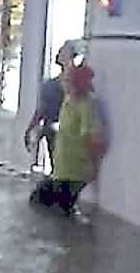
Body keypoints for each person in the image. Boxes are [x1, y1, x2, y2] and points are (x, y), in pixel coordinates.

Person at [30, 62, 105, 215]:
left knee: (62, 213)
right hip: (61, 170)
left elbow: (90, 138)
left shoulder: (86, 106)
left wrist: (93, 169)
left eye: (67, 81)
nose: (64, 84)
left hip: (74, 173)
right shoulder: (68, 101)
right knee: (37, 202)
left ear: (77, 84)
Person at [24, 39, 84, 172]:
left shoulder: (78, 85)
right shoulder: (51, 85)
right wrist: (31, 129)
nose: (59, 53)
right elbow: (41, 110)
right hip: (53, 133)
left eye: (63, 51)